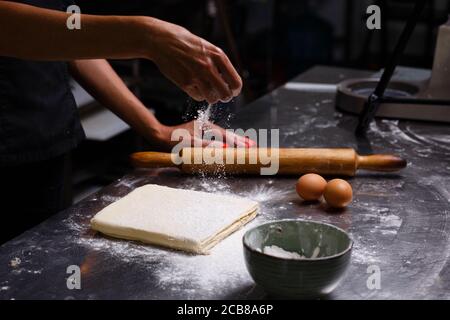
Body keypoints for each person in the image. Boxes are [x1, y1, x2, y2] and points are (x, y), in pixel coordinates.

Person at [0, 0, 251, 244]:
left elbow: (70, 38)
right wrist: (147, 37)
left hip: (48, 138)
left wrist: (157, 129)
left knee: (43, 265)